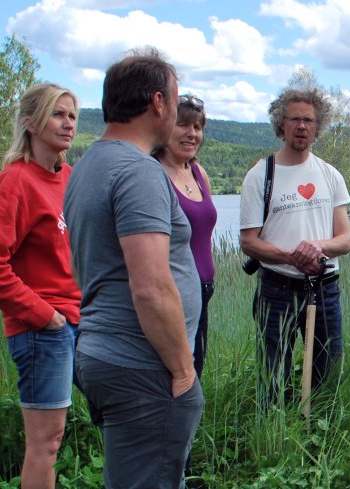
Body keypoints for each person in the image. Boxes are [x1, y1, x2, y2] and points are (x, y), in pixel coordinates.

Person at [64, 48, 202, 488]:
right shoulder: (137, 171)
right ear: (158, 103)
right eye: (176, 101)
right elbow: (151, 287)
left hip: (103, 352)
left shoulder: (87, 166)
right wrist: (183, 370)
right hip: (142, 364)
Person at [0, 82, 80, 489]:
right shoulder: (15, 181)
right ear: (31, 122)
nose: (68, 123)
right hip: (43, 331)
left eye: (71, 115)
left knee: (120, 412)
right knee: (46, 444)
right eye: (57, 114)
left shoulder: (70, 177)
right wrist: (44, 316)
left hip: (81, 321)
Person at [239, 86, 350, 407]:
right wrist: (291, 257)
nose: (302, 126)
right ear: (281, 124)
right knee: (271, 375)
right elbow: (248, 242)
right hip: (276, 290)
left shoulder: (329, 175)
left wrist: (316, 247)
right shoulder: (261, 176)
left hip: (324, 289)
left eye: (308, 120)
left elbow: (345, 240)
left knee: (327, 372)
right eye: (294, 120)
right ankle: (274, 442)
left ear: (318, 126)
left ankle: (319, 441)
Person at [152, 93, 217, 381]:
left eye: (198, 127)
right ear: (165, 126)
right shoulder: (153, 173)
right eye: (183, 125)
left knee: (194, 374)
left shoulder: (198, 173)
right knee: (173, 376)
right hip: (173, 293)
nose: (192, 134)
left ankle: (188, 427)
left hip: (202, 291)